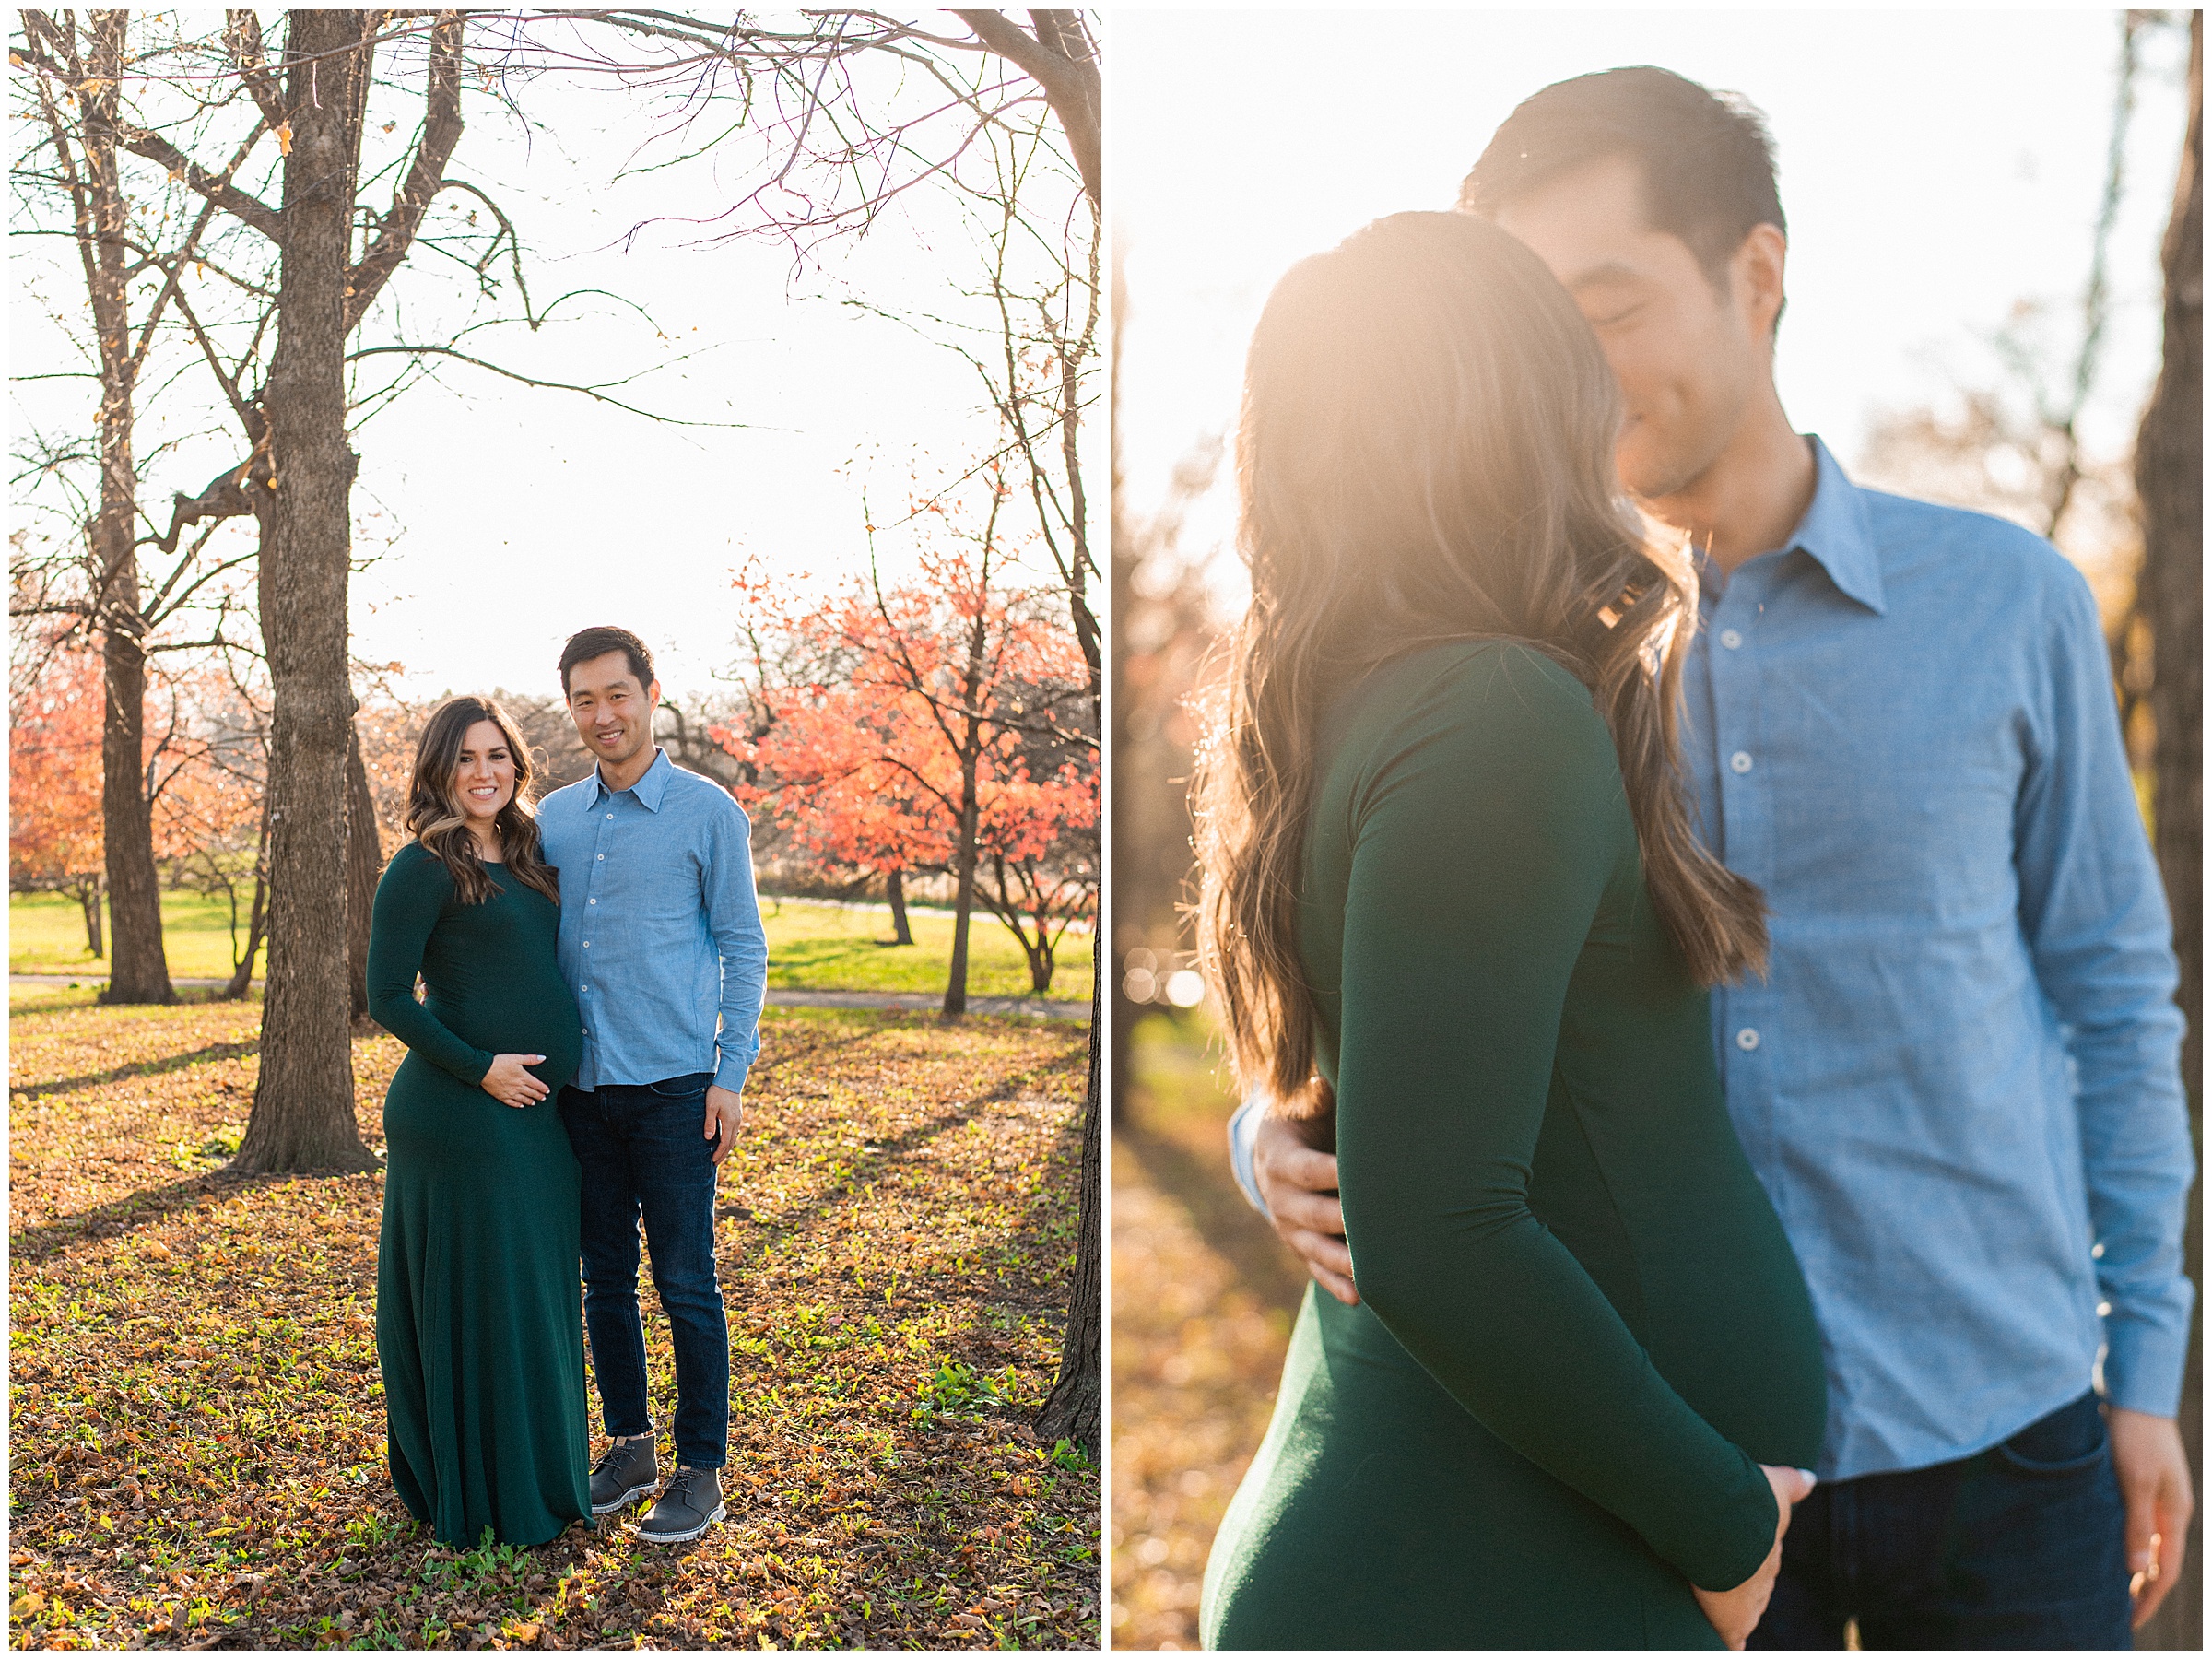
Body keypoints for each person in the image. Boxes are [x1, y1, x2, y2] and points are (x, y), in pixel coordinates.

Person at [1231, 66, 2196, 1649]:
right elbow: (1355, 965)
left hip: (2004, 1442)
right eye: (1530, 326)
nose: (1569, 370)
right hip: (1652, 1476)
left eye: (1605, 308)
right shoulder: (1501, 666)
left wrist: (2146, 1367)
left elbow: (2111, 990)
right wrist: (1272, 1127)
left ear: (1758, 273)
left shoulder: (2012, 603)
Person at [1194, 208, 1827, 1651]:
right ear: (1517, 410)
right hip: (1504, 1567)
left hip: (1489, 1540)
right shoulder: (1488, 712)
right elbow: (1444, 1232)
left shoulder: (1383, 703)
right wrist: (1725, 1526)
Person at [537, 625, 770, 1548]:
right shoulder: (552, 817)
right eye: (585, 700)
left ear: (650, 692)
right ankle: (629, 1447)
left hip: (678, 1089)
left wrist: (731, 1071)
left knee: (685, 1281)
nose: (603, 714)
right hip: (582, 1092)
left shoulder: (708, 812)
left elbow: (744, 944)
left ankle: (700, 1468)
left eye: (617, 694)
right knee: (604, 1280)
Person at [370, 696, 592, 1548]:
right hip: (462, 1114)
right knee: (484, 1298)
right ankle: (483, 1485)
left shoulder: (536, 851)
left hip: (543, 1122)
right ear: (439, 769)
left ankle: (543, 1471)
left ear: (517, 763)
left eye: (497, 754)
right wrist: (481, 1068)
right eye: (466, 758)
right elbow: (385, 995)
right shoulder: (423, 864)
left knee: (534, 1295)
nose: (484, 771)